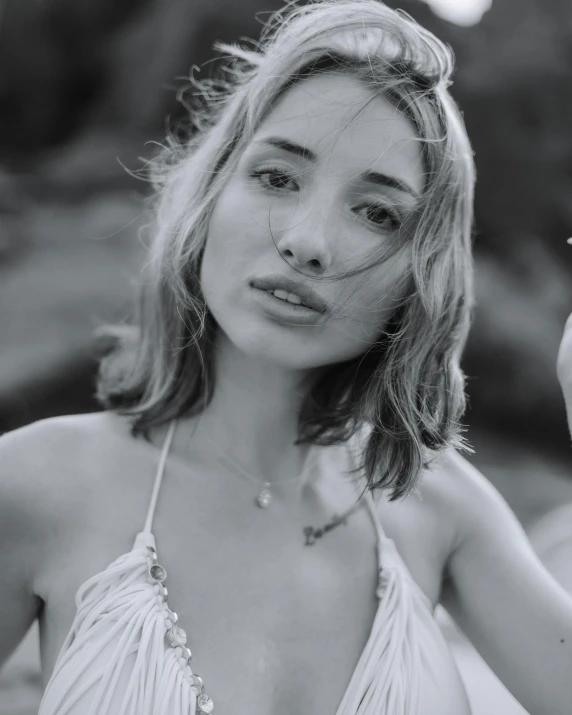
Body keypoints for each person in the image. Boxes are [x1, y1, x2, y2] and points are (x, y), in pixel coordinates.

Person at [0, 1, 571, 713]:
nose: (307, 241)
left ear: (419, 276)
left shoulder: (441, 510)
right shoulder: (35, 485)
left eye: (377, 213)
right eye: (277, 177)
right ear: (212, 195)